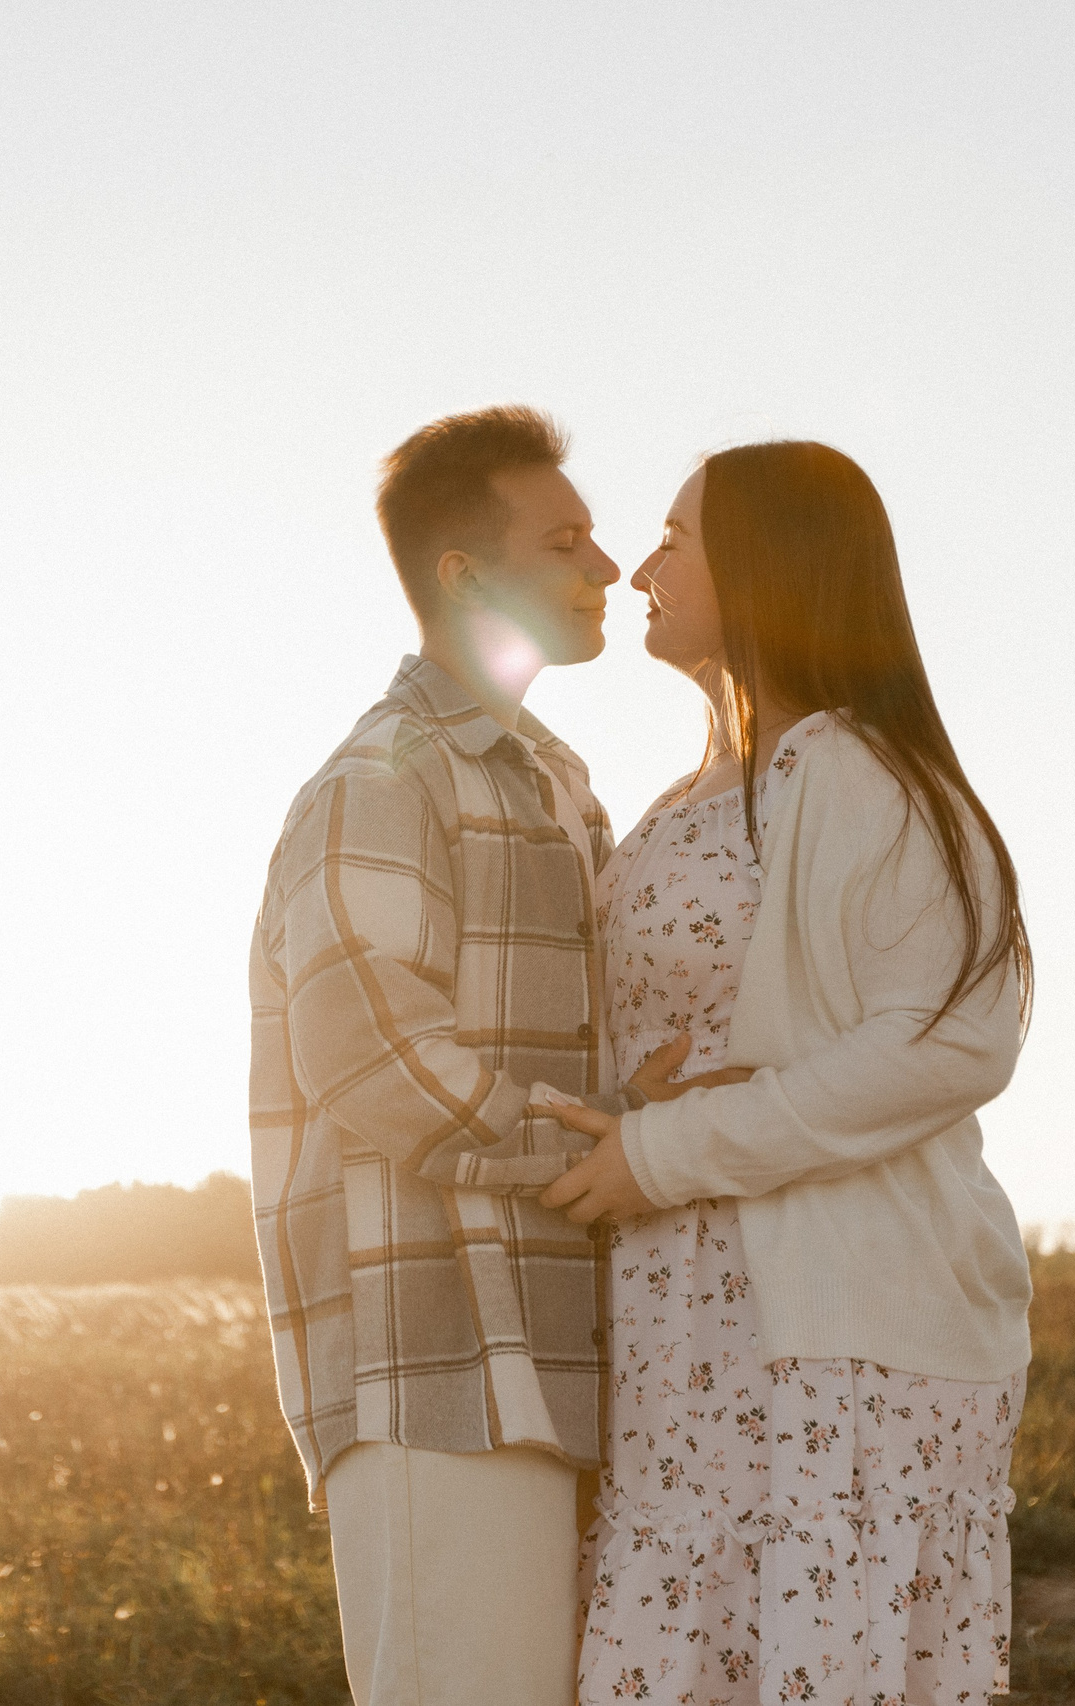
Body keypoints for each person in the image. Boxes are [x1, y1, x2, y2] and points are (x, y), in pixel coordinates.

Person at [538, 441, 1036, 1705]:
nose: (639, 565)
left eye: (673, 534)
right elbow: (728, 1034)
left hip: (833, 1341)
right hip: (688, 1326)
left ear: (765, 567)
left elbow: (951, 1037)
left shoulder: (853, 768)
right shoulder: (680, 798)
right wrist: (628, 1114)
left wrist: (660, 1152)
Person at [247, 406, 685, 1706]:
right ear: (465, 574)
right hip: (434, 1361)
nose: (606, 567)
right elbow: (373, 1056)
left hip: (563, 1354)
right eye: (565, 540)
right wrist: (611, 1154)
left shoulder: (556, 780)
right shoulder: (382, 777)